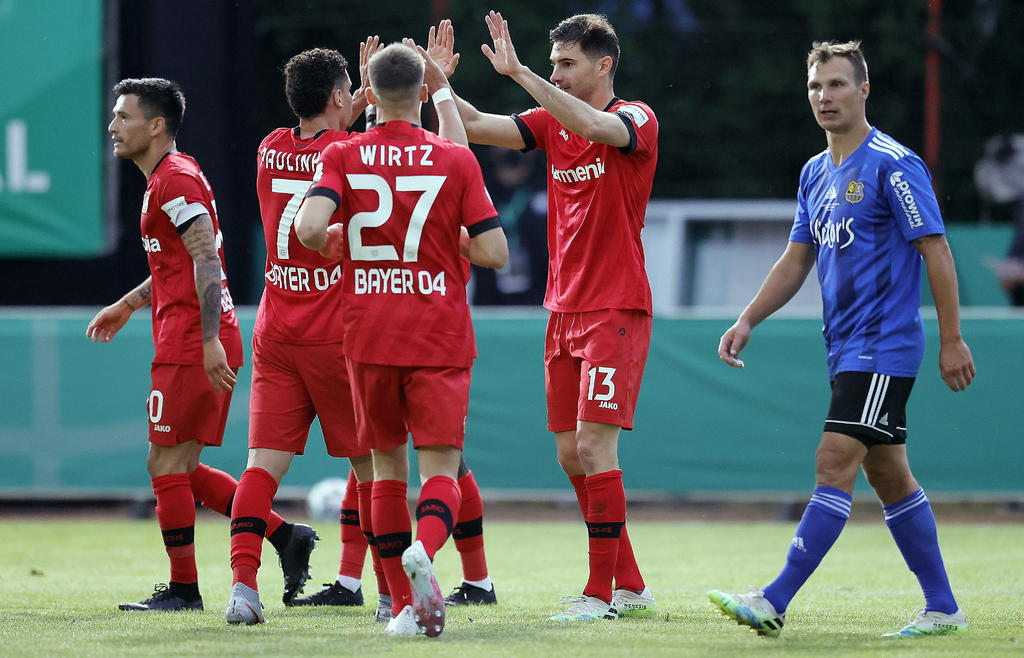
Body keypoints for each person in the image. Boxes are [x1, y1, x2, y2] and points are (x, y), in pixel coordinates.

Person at [708, 40, 976, 639]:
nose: (824, 97)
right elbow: (797, 258)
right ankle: (943, 609)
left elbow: (935, 248)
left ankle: (774, 599)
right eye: (814, 87)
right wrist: (748, 317)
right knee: (890, 478)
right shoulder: (814, 173)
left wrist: (952, 339)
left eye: (835, 84)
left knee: (833, 463)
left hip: (883, 347)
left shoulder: (893, 163)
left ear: (864, 90)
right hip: (844, 348)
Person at [438, 12, 658, 620]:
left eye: (567, 63)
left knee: (593, 447)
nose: (558, 72)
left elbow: (591, 122)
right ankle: (632, 584)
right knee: (569, 454)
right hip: (562, 309)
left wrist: (522, 73)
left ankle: (599, 594)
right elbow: (475, 128)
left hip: (615, 304)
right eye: (553, 62)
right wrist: (433, 86)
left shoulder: (635, 117)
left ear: (603, 64)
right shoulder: (550, 123)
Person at [294, 42, 508, 637]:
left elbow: (308, 227)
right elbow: (494, 251)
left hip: (367, 334)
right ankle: (426, 553)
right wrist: (449, 245)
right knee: (441, 469)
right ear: (421, 92)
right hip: (437, 332)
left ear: (370, 88)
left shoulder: (342, 153)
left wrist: (335, 241)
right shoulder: (455, 160)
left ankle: (401, 608)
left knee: (383, 472)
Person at [87, 78, 315, 612]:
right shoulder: (166, 180)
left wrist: (210, 339)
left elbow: (208, 262)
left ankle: (185, 590)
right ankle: (284, 536)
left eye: (124, 116)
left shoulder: (175, 181)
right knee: (179, 466)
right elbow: (178, 267)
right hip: (187, 336)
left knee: (165, 465)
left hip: (194, 341)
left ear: (157, 125)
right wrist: (128, 303)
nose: (113, 126)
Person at [223, 43, 384, 625]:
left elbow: (322, 136)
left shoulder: (269, 148)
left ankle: (243, 590)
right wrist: (379, 95)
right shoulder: (351, 152)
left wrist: (352, 94)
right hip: (337, 336)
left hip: (276, 330)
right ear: (340, 98)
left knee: (260, 468)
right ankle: (389, 592)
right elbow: (359, 147)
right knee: (373, 469)